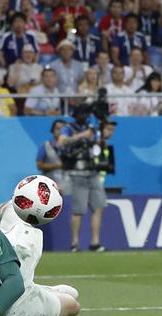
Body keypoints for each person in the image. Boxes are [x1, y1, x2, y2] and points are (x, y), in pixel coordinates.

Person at [57, 103, 108, 252]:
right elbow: (61, 142)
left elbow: (99, 142)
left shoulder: (92, 127)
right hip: (77, 172)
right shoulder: (68, 127)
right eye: (82, 114)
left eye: (86, 114)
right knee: (78, 209)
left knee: (99, 206)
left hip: (92, 171)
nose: (84, 116)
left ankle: (95, 242)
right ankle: (74, 243)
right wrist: (81, 136)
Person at [37, 119, 71, 194]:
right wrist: (58, 166)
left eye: (63, 129)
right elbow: (39, 165)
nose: (60, 132)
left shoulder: (71, 147)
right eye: (58, 129)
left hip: (69, 187)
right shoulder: (46, 145)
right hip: (51, 187)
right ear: (52, 130)